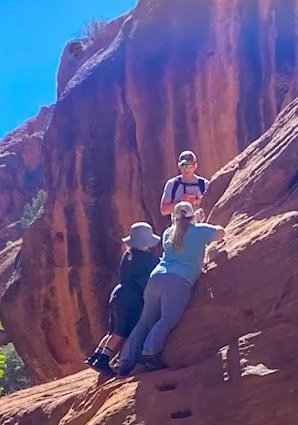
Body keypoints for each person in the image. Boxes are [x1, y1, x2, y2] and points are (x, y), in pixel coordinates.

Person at [113, 201, 222, 374]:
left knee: (145, 321)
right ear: (192, 216)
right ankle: (149, 353)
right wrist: (201, 223)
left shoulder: (167, 233)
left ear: (174, 217)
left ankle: (125, 361)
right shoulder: (200, 231)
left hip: (156, 278)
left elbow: (181, 235)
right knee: (167, 319)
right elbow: (220, 233)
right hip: (179, 280)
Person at [88, 222, 162, 375]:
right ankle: (103, 360)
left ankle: (97, 355)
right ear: (146, 242)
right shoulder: (148, 260)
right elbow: (160, 267)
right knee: (121, 332)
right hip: (130, 299)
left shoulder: (127, 255)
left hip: (118, 293)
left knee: (113, 331)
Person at [161, 150, 209, 216]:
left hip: (199, 224)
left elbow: (212, 206)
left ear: (195, 166)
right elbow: (163, 210)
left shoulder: (204, 185)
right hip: (178, 225)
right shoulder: (172, 184)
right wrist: (182, 203)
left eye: (189, 166)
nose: (186, 169)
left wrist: (197, 202)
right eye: (183, 166)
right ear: (179, 166)